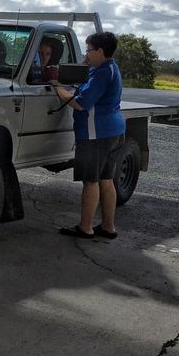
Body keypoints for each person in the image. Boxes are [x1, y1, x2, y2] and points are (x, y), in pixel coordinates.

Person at [52, 31, 125, 240]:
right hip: (114, 131)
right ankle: (108, 227)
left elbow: (80, 103)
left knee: (90, 181)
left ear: (101, 51)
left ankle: (86, 228)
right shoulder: (110, 67)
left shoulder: (101, 73)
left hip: (96, 134)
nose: (87, 54)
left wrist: (58, 88)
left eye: (89, 50)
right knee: (106, 179)